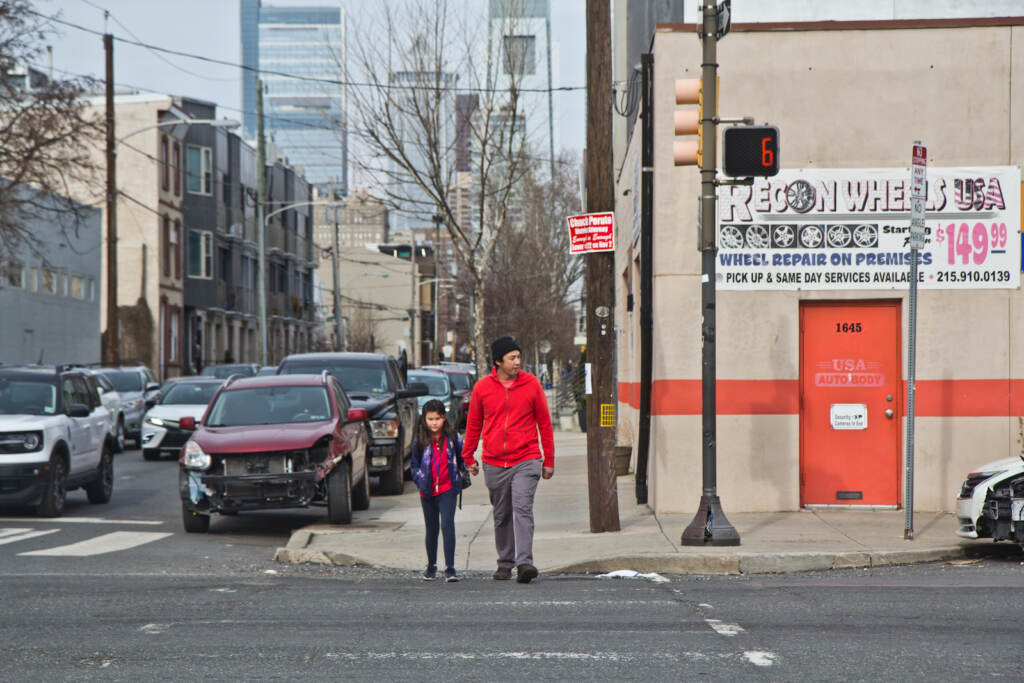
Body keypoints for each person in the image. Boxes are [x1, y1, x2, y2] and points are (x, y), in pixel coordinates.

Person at [462, 336, 555, 584]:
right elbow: (473, 424)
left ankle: (525, 563)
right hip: (494, 462)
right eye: (512, 358)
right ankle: (505, 563)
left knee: (522, 509)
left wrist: (549, 460)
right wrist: (468, 455)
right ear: (498, 361)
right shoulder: (482, 388)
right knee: (502, 514)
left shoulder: (531, 384)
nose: (517, 362)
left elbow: (544, 423)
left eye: (518, 356)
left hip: (527, 458)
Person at [409, 399, 466, 582]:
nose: (434, 423)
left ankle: (450, 568)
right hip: (427, 490)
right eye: (430, 419)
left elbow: (462, 457)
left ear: (444, 418)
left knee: (447, 525)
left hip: (448, 488)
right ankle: (431, 566)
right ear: (424, 419)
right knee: (431, 528)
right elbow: (413, 464)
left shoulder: (453, 437)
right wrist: (419, 479)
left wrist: (466, 470)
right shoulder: (420, 439)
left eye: (438, 418)